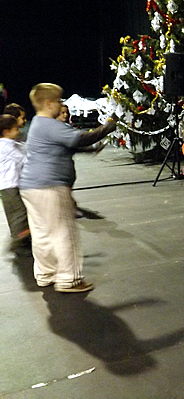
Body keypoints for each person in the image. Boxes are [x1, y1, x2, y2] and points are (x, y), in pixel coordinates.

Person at [19, 83, 116, 293]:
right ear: (48, 103)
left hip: (30, 186)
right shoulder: (49, 124)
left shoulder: (38, 124)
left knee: (42, 233)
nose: (61, 104)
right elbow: (79, 138)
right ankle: (69, 280)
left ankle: (46, 274)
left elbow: (65, 146)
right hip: (50, 187)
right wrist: (108, 127)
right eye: (58, 100)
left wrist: (91, 149)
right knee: (64, 232)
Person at [0, 114, 31, 257]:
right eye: (15, 129)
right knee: (20, 213)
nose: (18, 131)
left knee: (14, 213)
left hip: (8, 185)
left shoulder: (10, 144)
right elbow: (23, 158)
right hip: (10, 185)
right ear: (6, 131)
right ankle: (17, 242)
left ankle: (20, 239)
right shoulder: (6, 146)